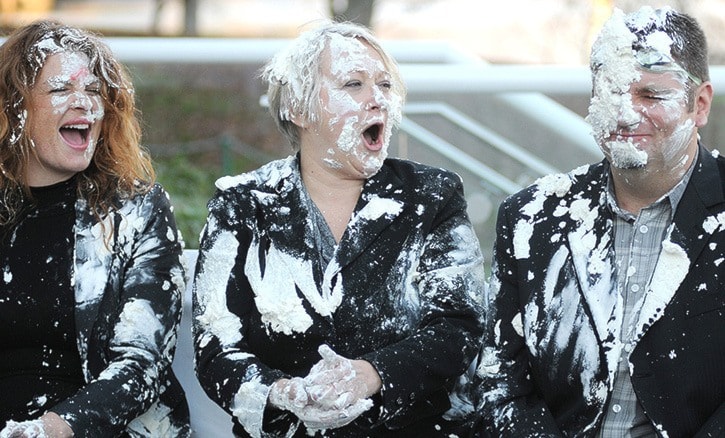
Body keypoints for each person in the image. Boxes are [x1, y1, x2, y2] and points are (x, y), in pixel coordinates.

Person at [191, 20, 485, 437]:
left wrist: (372, 374)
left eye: (384, 86)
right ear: (297, 107)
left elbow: (461, 325)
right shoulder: (243, 204)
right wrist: (279, 393)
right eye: (354, 85)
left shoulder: (432, 196)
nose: (377, 100)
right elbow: (216, 346)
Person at [474, 6, 724, 437]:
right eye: (610, 93)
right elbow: (499, 379)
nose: (625, 114)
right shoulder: (531, 217)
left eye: (650, 95)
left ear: (699, 104)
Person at [0, 20, 190, 437]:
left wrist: (54, 429)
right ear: (16, 107)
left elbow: (144, 360)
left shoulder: (137, 211)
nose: (84, 103)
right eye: (60, 89)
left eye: (92, 90)